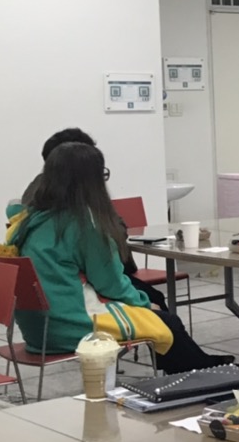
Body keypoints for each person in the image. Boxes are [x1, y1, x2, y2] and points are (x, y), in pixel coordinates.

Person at [1, 143, 233, 373]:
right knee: (166, 322)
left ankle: (198, 368)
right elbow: (110, 283)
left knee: (160, 316)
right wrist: (144, 303)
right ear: (91, 181)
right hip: (73, 326)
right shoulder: (83, 224)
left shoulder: (30, 220)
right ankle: (206, 374)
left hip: (38, 330)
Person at [15, 127, 167, 310]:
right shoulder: (82, 222)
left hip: (50, 305)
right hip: (79, 297)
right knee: (159, 308)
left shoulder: (35, 211)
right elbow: (109, 281)